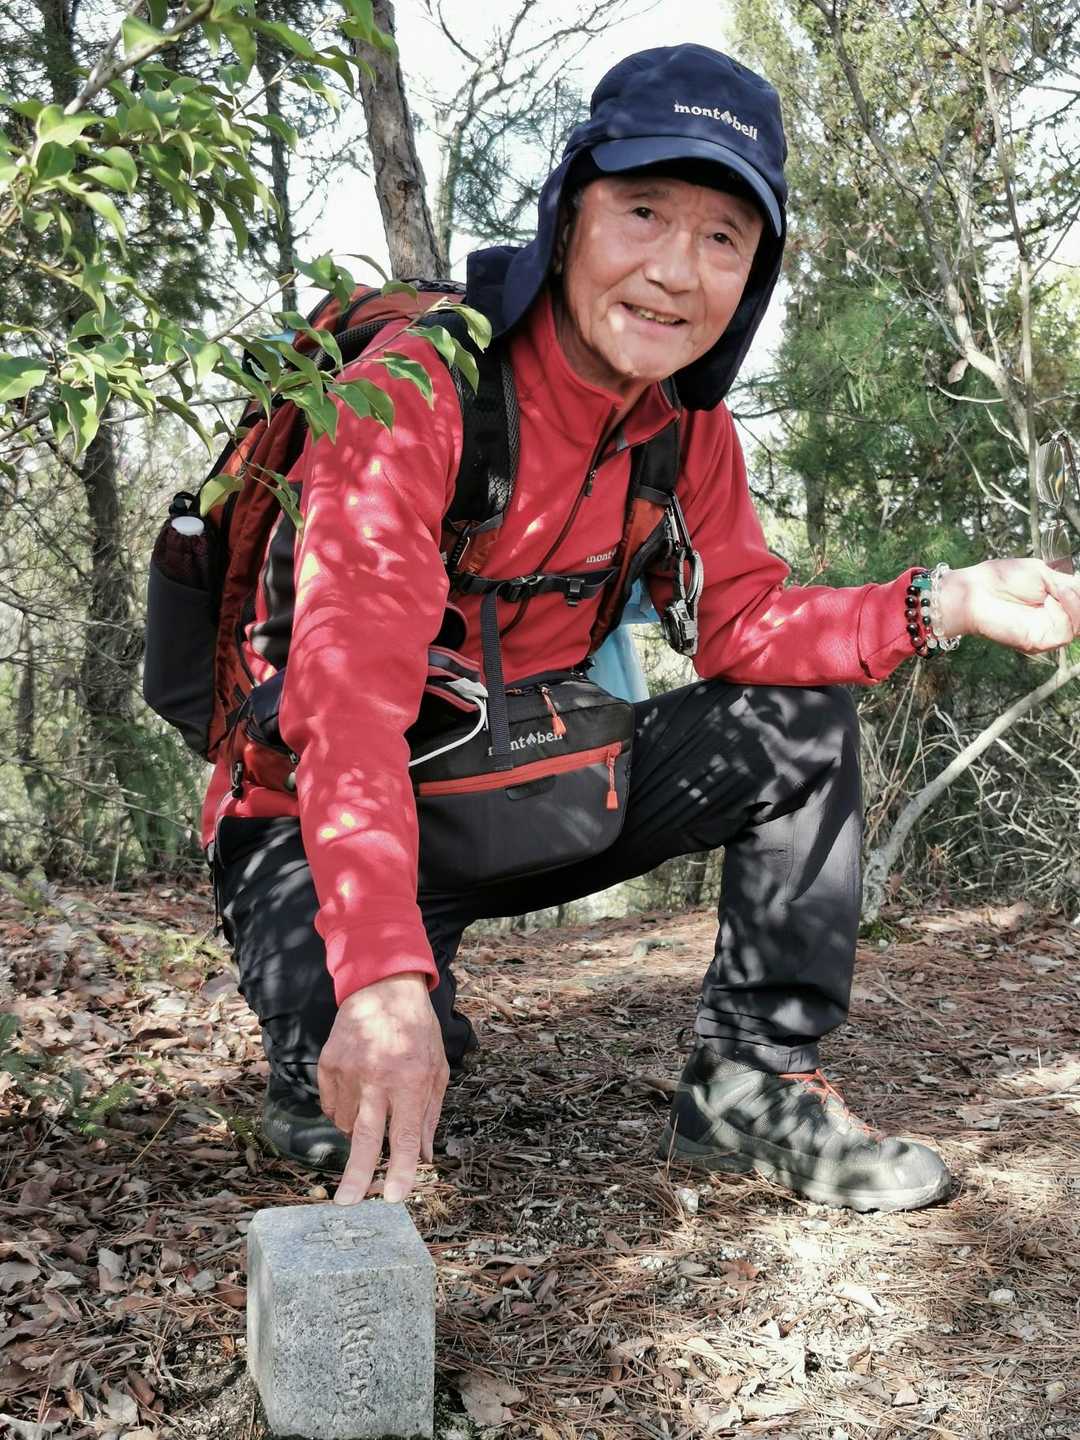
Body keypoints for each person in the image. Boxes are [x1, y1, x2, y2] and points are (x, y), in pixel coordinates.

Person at [207, 44, 1080, 1215]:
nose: (675, 270)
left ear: (754, 273)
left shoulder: (685, 430)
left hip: (518, 787)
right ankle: (373, 998)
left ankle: (751, 1082)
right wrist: (380, 978)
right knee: (344, 1112)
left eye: (724, 236)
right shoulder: (423, 390)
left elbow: (745, 626)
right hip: (313, 825)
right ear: (569, 215)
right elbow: (347, 695)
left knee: (798, 722)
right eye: (644, 211)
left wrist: (947, 601)